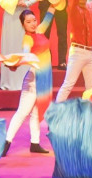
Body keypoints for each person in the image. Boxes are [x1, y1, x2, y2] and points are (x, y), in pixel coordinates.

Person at [3, 8, 55, 156]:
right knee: (22, 112)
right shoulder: (28, 39)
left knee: (36, 113)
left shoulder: (39, 31)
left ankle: (35, 143)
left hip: (44, 79)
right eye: (28, 22)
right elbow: (25, 54)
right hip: (34, 80)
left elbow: (49, 15)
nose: (32, 23)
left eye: (34, 20)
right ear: (23, 25)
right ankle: (6, 143)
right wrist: (15, 64)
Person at [0, 0, 34, 91]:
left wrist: (27, 3)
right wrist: (12, 2)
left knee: (23, 46)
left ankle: (24, 80)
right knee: (10, 46)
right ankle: (9, 81)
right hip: (10, 16)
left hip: (24, 16)